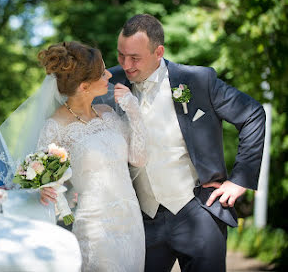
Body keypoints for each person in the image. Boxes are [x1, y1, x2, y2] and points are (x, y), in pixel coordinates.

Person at [102, 14, 264, 272]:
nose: (126, 64)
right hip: (141, 220)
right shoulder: (108, 82)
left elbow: (253, 114)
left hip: (199, 211)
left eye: (135, 57)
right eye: (121, 55)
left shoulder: (198, 81)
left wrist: (240, 180)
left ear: (159, 52)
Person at [36, 41, 147, 272]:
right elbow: (43, 181)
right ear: (85, 87)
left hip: (131, 223)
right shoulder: (55, 127)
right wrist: (43, 188)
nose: (109, 74)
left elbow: (137, 159)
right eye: (101, 72)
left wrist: (134, 112)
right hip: (95, 226)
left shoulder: (107, 114)